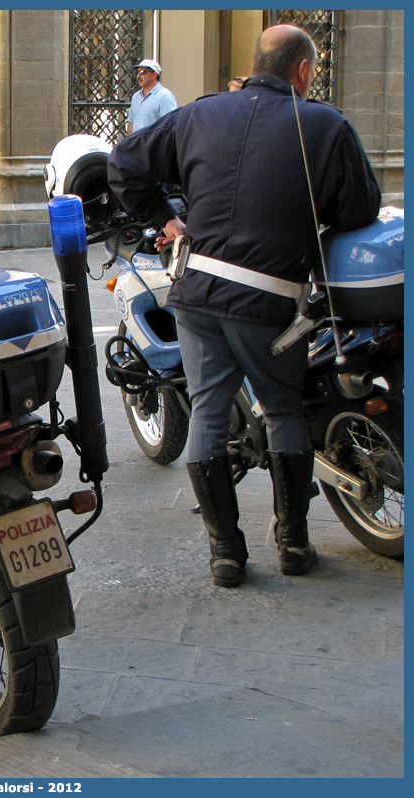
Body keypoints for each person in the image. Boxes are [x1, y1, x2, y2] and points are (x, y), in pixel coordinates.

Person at [108, 25, 381, 588]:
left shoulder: (200, 114)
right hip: (269, 305)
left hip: (196, 294)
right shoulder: (325, 125)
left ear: (256, 64)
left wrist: (167, 220)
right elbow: (360, 209)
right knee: (283, 410)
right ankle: (292, 544)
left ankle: (226, 555)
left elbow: (123, 165)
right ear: (303, 71)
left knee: (207, 411)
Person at [126, 58, 176, 135]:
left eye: (143, 72)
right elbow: (131, 123)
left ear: (154, 75)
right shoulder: (136, 97)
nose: (138, 75)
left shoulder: (165, 97)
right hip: (136, 146)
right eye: (138, 72)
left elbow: (170, 127)